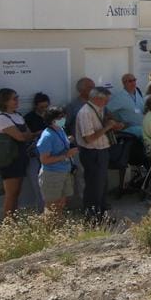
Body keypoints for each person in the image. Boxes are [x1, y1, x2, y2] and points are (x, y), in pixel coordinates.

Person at [76, 87, 122, 218]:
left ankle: (101, 213)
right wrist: (107, 127)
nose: (107, 103)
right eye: (105, 100)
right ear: (96, 99)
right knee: (94, 186)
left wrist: (113, 125)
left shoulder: (100, 109)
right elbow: (89, 138)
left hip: (102, 151)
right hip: (92, 153)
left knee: (101, 185)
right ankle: (92, 217)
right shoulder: (86, 113)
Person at [0, 88, 36, 217]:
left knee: (17, 192)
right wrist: (27, 135)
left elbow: (28, 134)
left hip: (20, 157)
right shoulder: (2, 118)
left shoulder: (18, 116)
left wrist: (28, 135)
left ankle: (12, 220)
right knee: (11, 193)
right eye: (14, 98)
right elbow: (21, 136)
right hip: (9, 159)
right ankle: (8, 222)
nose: (17, 101)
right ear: (5, 101)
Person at [35, 107, 78, 216]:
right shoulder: (47, 136)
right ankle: (50, 230)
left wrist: (68, 140)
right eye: (61, 117)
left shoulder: (60, 130)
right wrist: (65, 155)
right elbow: (44, 160)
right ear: (52, 120)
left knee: (61, 203)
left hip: (64, 172)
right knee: (52, 207)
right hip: (52, 175)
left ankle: (58, 226)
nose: (63, 119)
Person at [64, 77, 95, 210]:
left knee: (96, 175)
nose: (93, 90)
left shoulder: (96, 103)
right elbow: (65, 125)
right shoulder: (73, 106)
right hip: (80, 146)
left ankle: (96, 203)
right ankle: (86, 205)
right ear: (81, 90)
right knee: (82, 175)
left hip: (96, 146)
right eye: (90, 88)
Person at [21, 92, 50, 212]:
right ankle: (40, 210)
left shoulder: (51, 116)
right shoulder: (29, 117)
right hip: (33, 153)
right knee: (37, 184)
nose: (44, 109)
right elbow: (25, 136)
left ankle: (49, 211)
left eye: (46, 107)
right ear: (36, 105)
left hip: (49, 152)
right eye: (41, 107)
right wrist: (37, 133)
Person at [107, 74, 145, 139]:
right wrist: (117, 123)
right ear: (124, 83)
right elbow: (107, 111)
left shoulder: (138, 92)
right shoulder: (119, 97)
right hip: (131, 131)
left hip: (143, 128)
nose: (133, 83)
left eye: (134, 80)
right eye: (130, 81)